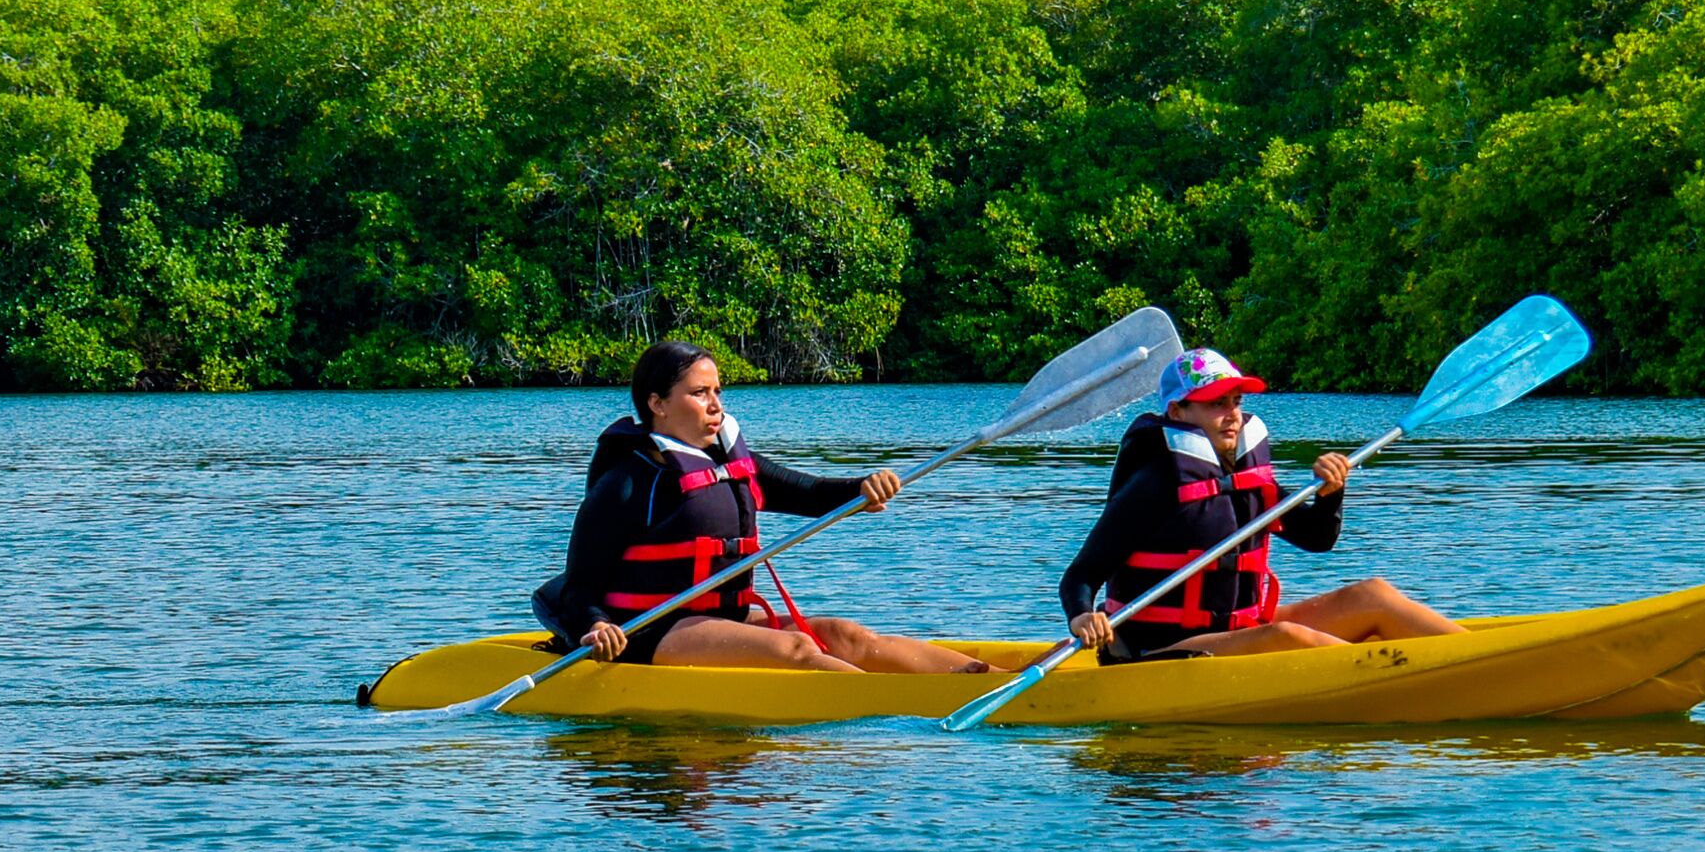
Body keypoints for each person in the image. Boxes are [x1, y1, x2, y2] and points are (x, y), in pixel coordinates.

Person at [536, 340, 984, 675]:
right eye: (699, 393)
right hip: (647, 632)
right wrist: (596, 626)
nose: (716, 406)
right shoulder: (628, 483)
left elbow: (808, 493)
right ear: (657, 404)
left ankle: (988, 682)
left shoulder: (731, 464)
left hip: (723, 621)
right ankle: (905, 707)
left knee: (844, 635)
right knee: (796, 651)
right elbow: (579, 586)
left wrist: (864, 487)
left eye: (717, 391)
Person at [1057, 347, 1463, 662]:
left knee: (1372, 595)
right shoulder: (1155, 483)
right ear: (1178, 411)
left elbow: (1318, 539)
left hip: (1242, 629)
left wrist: (1330, 494)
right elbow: (1081, 574)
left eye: (1235, 401)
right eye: (1216, 403)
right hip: (1155, 652)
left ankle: (1489, 655)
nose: (1232, 414)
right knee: (1286, 638)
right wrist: (1082, 616)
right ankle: (1400, 672)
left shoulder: (1247, 478)